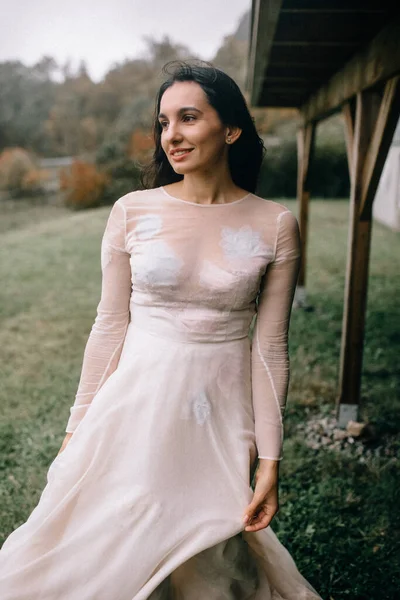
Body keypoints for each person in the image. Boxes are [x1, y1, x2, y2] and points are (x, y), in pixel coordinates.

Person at [0, 61, 322, 599]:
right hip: (133, 406)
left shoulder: (275, 224)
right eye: (164, 122)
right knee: (113, 536)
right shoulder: (131, 212)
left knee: (207, 549)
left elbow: (269, 349)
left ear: (232, 129)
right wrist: (77, 429)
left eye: (189, 118)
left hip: (219, 412)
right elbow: (108, 327)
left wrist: (270, 458)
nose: (171, 134)